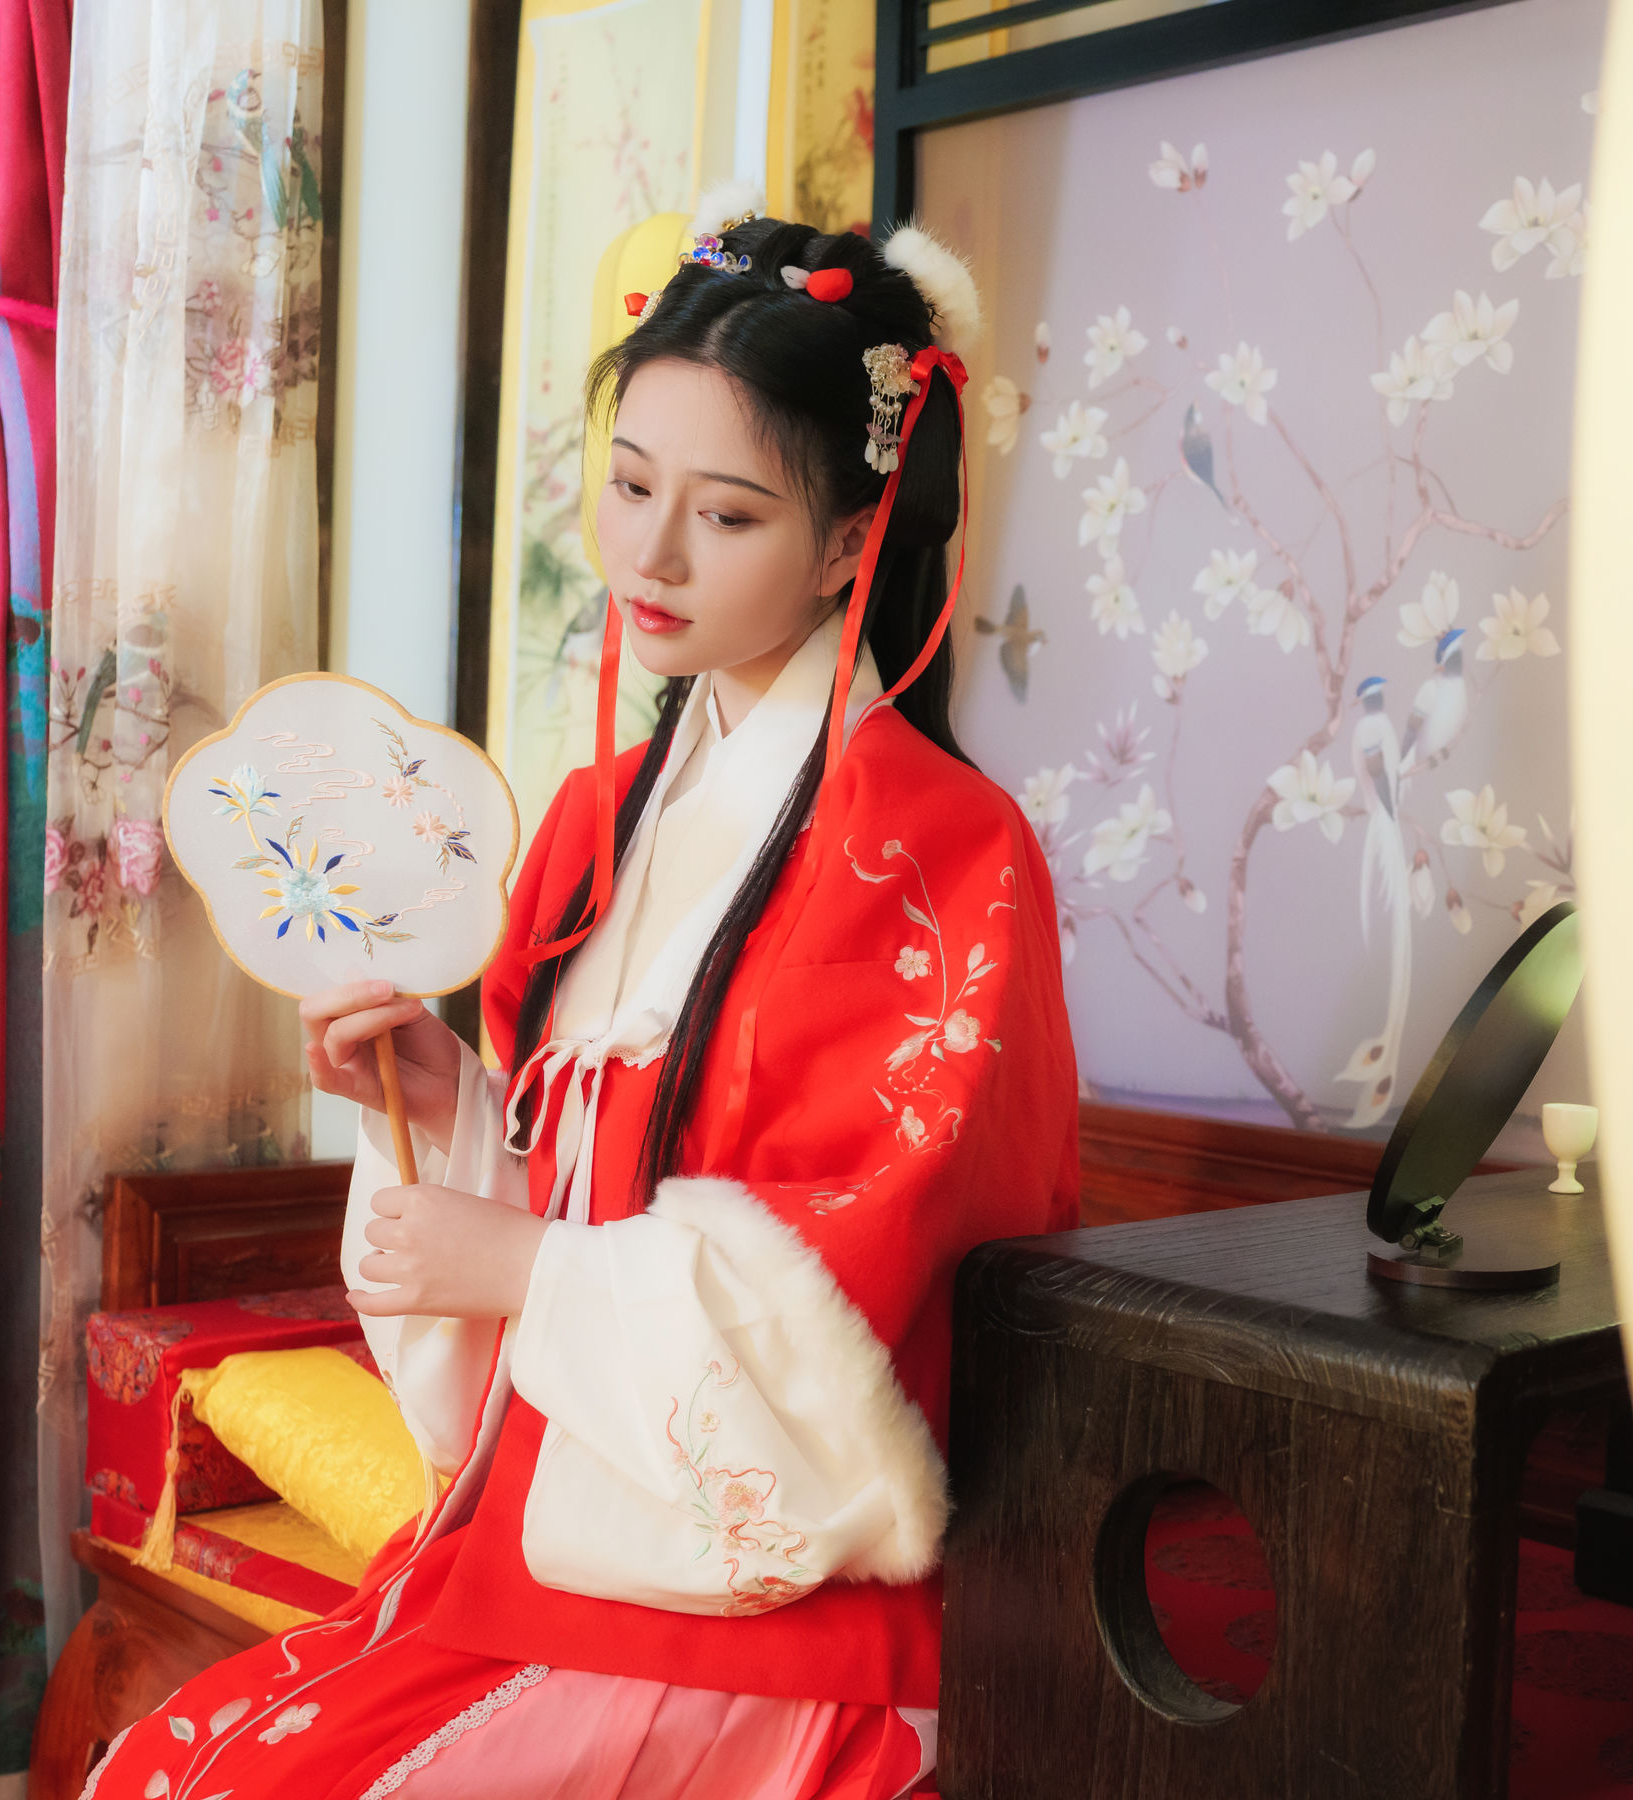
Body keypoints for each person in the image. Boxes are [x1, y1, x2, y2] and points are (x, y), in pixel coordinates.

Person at [81, 191, 1079, 1800]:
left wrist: (525, 1263)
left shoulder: (948, 852)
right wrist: (447, 1110)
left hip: (773, 1613)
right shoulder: (592, 821)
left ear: (849, 541)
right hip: (538, 1528)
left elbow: (877, 1282)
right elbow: (565, 1177)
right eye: (629, 485)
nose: (650, 555)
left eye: (728, 515)